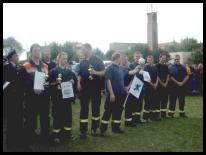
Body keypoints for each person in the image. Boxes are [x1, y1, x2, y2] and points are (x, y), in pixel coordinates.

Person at [100, 52, 140, 136]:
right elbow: (108, 81)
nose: (124, 59)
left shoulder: (121, 68)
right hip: (113, 95)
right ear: (118, 58)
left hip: (120, 95)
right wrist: (111, 94)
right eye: (122, 57)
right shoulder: (110, 68)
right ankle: (103, 130)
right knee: (108, 112)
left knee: (118, 112)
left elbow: (131, 72)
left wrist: (137, 68)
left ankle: (116, 128)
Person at [19, 44, 50, 148]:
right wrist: (32, 88)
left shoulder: (45, 66)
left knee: (45, 119)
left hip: (44, 98)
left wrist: (47, 84)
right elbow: (21, 83)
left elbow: (46, 80)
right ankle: (28, 142)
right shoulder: (25, 66)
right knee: (30, 120)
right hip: (31, 98)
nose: (37, 52)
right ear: (31, 52)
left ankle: (45, 139)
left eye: (38, 50)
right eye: (35, 50)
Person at [77, 43, 105, 139]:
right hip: (84, 89)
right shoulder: (82, 61)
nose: (82, 51)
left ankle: (94, 129)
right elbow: (79, 74)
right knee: (84, 110)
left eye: (83, 49)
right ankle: (83, 131)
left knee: (95, 109)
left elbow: (104, 72)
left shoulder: (98, 60)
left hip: (96, 89)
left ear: (88, 49)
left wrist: (95, 72)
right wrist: (78, 83)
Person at [49, 52, 77, 144]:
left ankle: (67, 134)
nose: (65, 60)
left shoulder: (70, 72)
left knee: (68, 117)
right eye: (63, 58)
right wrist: (55, 83)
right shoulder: (53, 71)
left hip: (67, 99)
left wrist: (73, 82)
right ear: (58, 59)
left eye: (66, 58)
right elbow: (49, 85)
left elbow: (74, 86)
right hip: (57, 99)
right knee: (57, 117)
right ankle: (56, 136)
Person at [3, 49, 25, 151]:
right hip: (10, 100)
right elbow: (5, 84)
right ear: (11, 57)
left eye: (18, 56)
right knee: (11, 122)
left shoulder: (19, 68)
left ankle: (19, 142)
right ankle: (10, 144)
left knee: (19, 121)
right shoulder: (6, 68)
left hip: (19, 99)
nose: (18, 57)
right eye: (16, 56)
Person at [143, 55, 159, 121]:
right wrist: (153, 85)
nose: (150, 60)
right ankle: (145, 118)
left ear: (153, 60)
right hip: (148, 87)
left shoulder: (155, 67)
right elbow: (146, 79)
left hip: (154, 87)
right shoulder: (145, 68)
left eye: (151, 59)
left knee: (153, 102)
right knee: (147, 103)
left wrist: (156, 84)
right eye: (148, 59)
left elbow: (158, 76)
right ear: (147, 60)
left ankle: (153, 117)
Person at [156, 53, 170, 119]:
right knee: (158, 100)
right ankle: (158, 115)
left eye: (165, 58)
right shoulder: (156, 66)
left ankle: (164, 115)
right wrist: (162, 83)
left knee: (165, 100)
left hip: (166, 85)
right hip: (159, 85)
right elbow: (157, 76)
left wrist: (166, 83)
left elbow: (168, 75)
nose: (164, 59)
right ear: (159, 58)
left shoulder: (166, 66)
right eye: (162, 58)